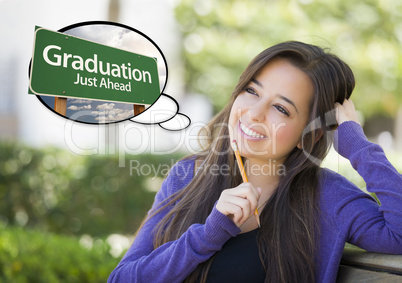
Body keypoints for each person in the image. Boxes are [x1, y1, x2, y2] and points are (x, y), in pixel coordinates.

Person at [108, 41, 402, 283]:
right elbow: (121, 279)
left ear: (308, 135)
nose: (254, 113)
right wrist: (207, 236)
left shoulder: (328, 197)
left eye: (280, 108)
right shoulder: (188, 174)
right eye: (251, 91)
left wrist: (357, 146)